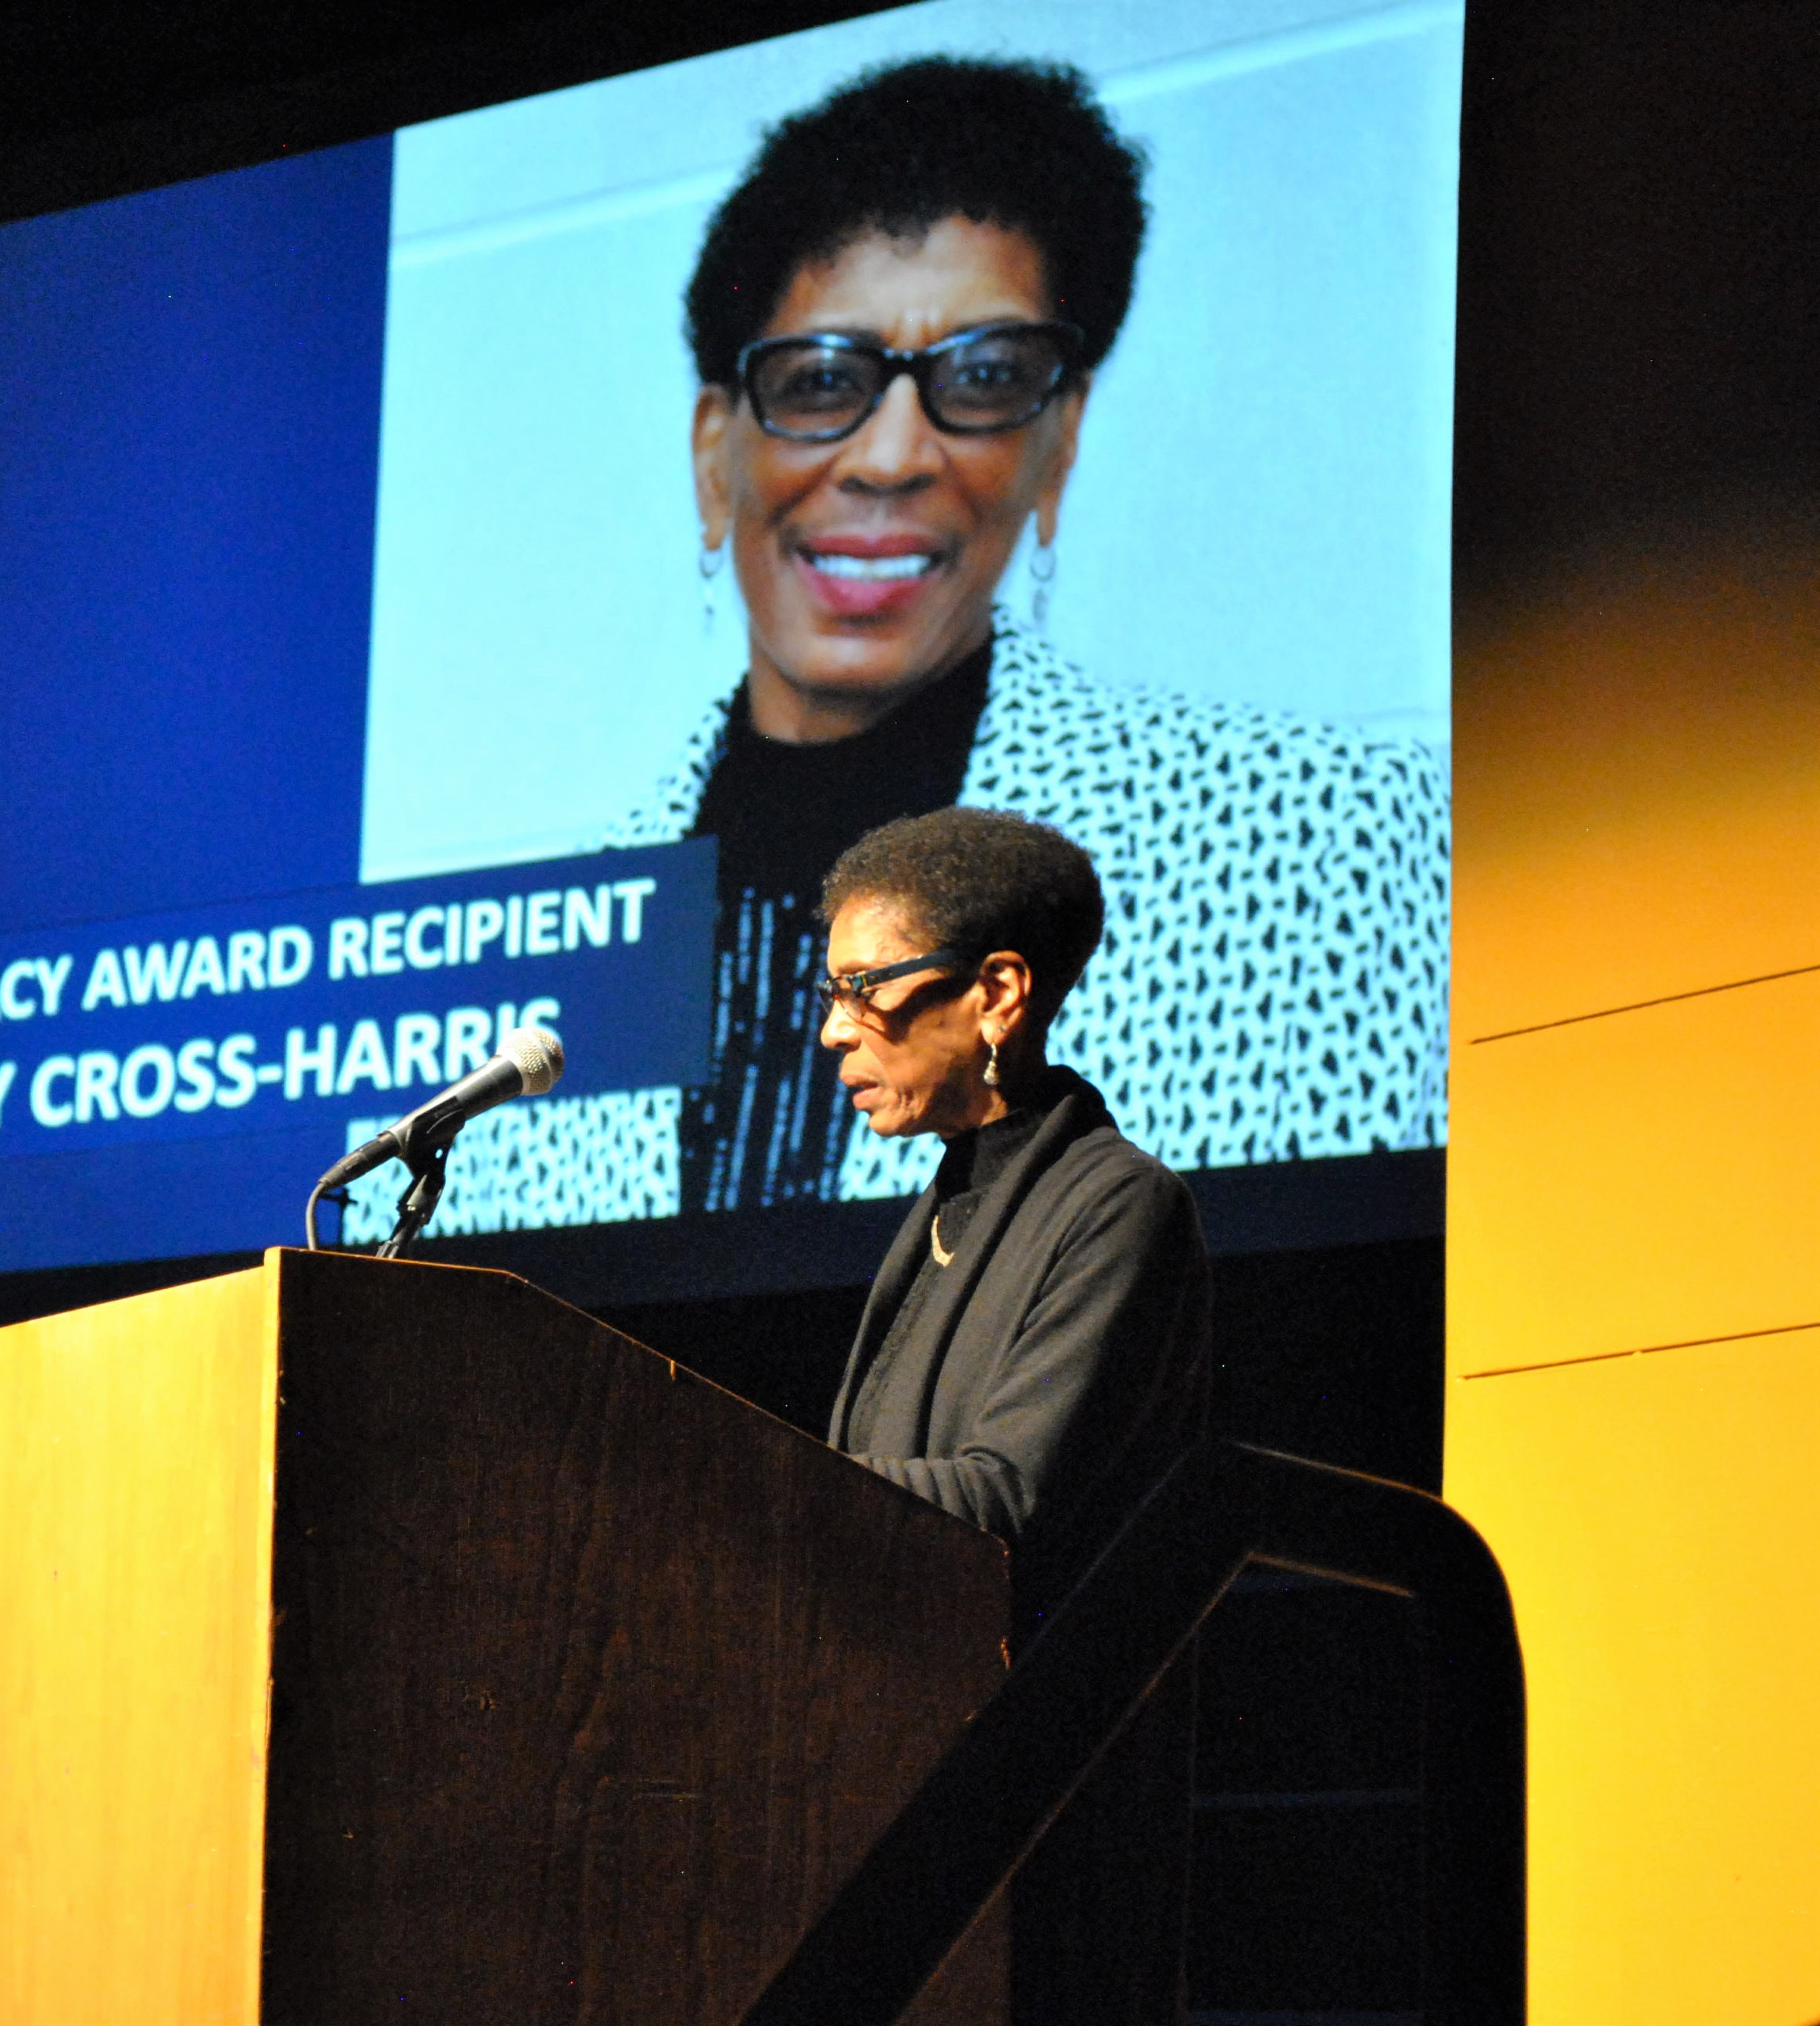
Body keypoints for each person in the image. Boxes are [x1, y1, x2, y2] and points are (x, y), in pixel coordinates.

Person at [606, 55, 1448, 1215]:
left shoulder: (1336, 840)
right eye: (817, 382)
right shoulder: (564, 939)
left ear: (1059, 443)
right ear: (716, 455)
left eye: (985, 376)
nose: (892, 456)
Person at [816, 804, 1210, 2026]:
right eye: (826, 990)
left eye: (866, 988)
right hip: (885, 1759)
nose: (835, 1029)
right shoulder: (941, 1211)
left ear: (996, 993)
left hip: (1029, 1811)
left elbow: (1004, 1498)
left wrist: (751, 1480)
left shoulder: (1115, 1209)